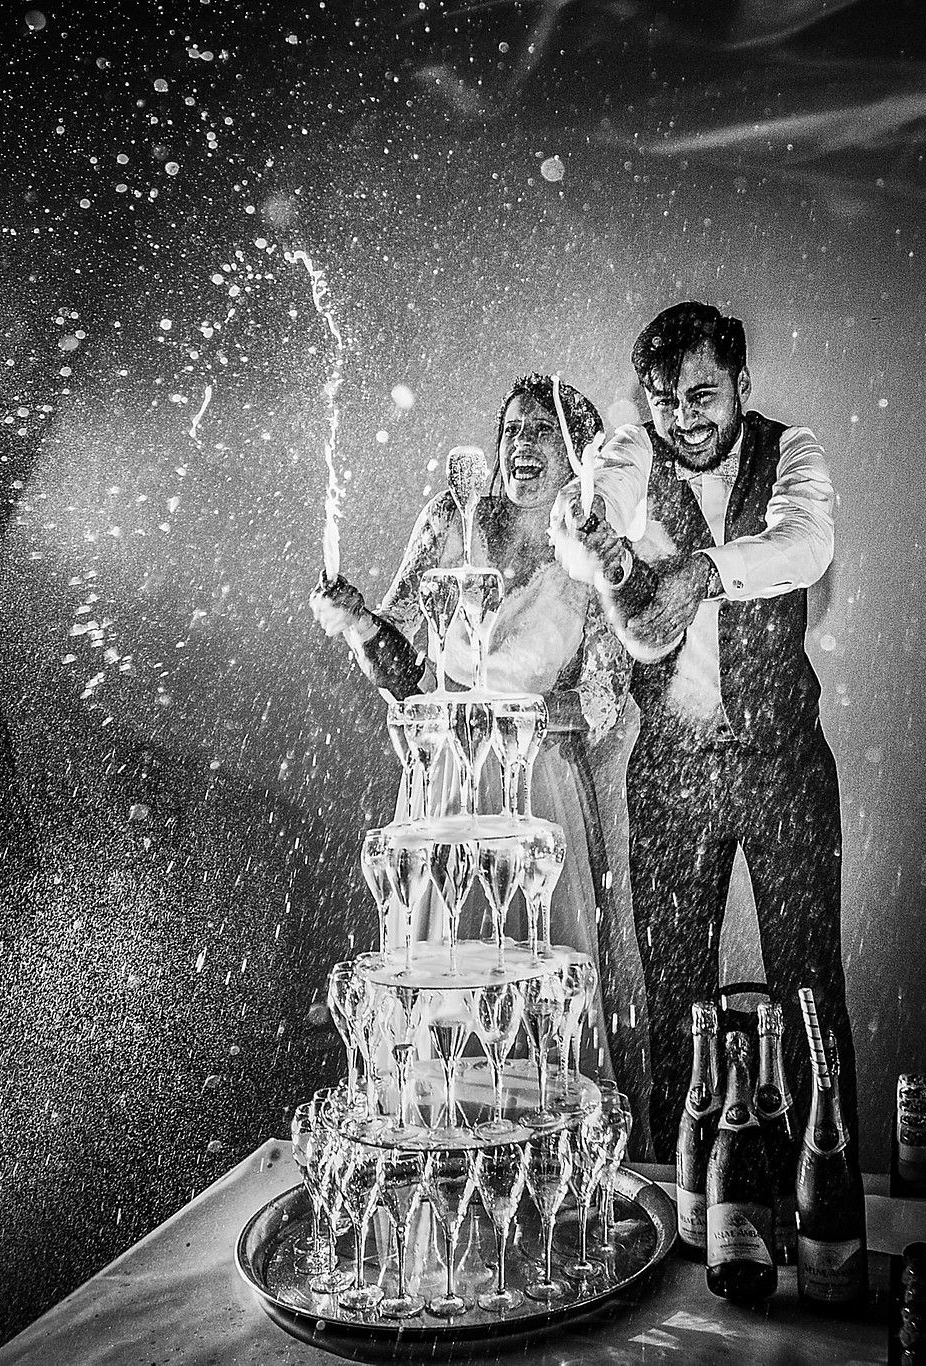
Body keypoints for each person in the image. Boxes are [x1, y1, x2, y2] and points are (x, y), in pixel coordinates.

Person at [309, 374, 653, 1150]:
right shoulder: (453, 520)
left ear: (580, 457)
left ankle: (544, 1172)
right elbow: (404, 670)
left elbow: (602, 705)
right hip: (442, 793)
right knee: (442, 988)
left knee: (533, 990)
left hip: (539, 793)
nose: (523, 446)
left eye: (543, 432)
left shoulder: (591, 544)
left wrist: (507, 716)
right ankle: (446, 1170)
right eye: (512, 431)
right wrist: (360, 622)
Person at [551, 301, 857, 1155]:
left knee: (810, 1001)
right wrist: (593, 536)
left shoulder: (793, 451)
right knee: (678, 1005)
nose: (681, 419)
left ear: (741, 386)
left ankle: (822, 1207)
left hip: (785, 768)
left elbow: (805, 546)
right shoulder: (633, 448)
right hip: (673, 778)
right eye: (663, 400)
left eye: (701, 396)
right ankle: (682, 1211)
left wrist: (704, 573)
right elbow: (585, 506)